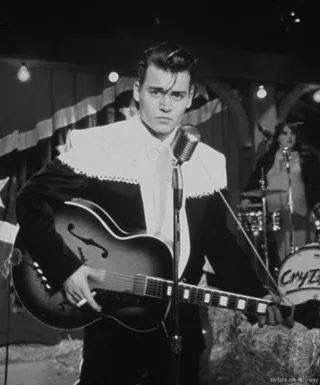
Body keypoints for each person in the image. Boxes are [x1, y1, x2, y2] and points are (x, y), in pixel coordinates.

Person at [16, 42, 282, 385]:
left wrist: (257, 296)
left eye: (176, 95)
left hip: (181, 328)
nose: (165, 105)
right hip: (113, 330)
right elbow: (30, 200)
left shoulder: (209, 160)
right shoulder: (101, 146)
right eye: (156, 92)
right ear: (138, 92)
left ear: (189, 99)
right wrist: (65, 267)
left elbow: (219, 243)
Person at [242, 121, 320, 327]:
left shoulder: (306, 158)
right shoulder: (267, 160)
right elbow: (252, 185)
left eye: (292, 133)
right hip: (277, 217)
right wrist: (247, 199)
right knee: (281, 257)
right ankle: (286, 303)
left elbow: (316, 184)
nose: (289, 137)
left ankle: (305, 305)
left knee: (303, 257)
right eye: (285, 133)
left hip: (301, 214)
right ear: (278, 137)